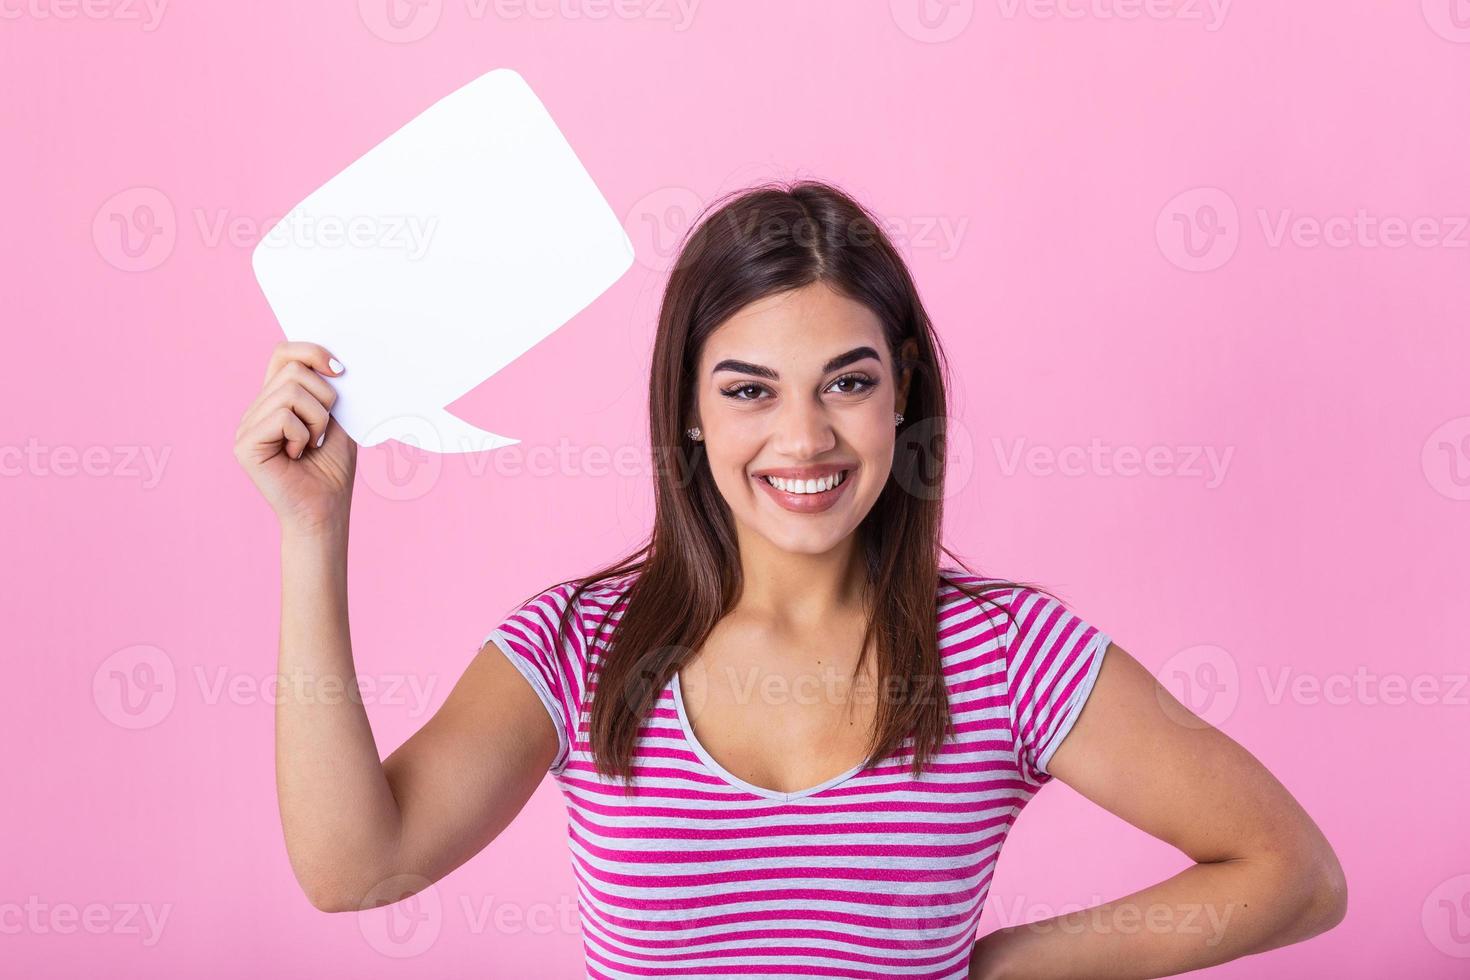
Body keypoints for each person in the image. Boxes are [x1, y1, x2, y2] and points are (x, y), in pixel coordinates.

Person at [235, 180, 1347, 979]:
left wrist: (1004, 967)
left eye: (846, 382)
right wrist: (313, 531)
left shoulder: (1010, 655)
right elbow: (354, 868)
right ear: (689, 404)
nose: (804, 438)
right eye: (750, 389)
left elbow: (1294, 871)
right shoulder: (578, 644)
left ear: (902, 391)